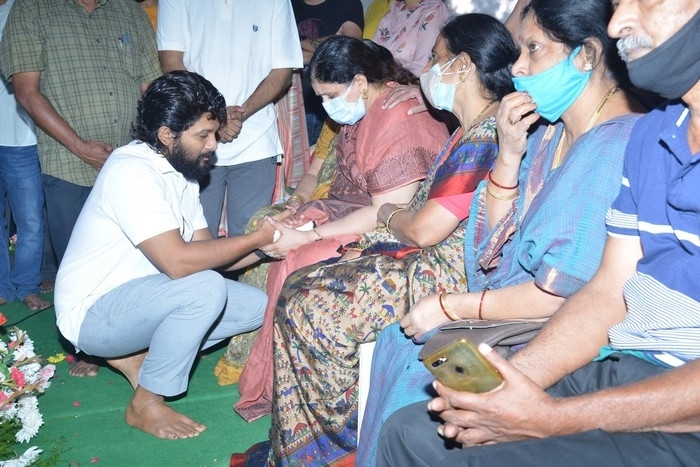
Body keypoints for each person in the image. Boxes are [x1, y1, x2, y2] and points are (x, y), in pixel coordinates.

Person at [377, 0, 700, 464]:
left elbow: (559, 287)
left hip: (675, 389)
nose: (618, 22)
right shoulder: (654, 138)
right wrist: (508, 386)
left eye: (646, 0)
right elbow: (608, 292)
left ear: (585, 56)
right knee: (410, 432)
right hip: (629, 355)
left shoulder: (617, 139)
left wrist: (549, 417)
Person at [250, 14, 519, 466]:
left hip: (446, 268)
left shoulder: (486, 135)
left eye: (436, 59)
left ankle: (335, 447)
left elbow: (425, 228)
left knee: (308, 304)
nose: (427, 72)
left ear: (464, 66)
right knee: (306, 284)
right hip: (424, 253)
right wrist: (397, 219)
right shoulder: (465, 132)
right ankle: (305, 441)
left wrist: (392, 214)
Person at [54, 71, 277, 441]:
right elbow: (179, 262)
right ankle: (144, 404)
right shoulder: (131, 170)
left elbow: (210, 254)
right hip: (93, 313)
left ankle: (143, 356)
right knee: (204, 289)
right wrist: (256, 236)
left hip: (141, 300)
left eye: (213, 134)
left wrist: (267, 245)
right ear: (166, 135)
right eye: (203, 136)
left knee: (253, 305)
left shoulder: (182, 172)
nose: (213, 146)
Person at [0, 0, 161, 377]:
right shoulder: (32, 9)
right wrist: (79, 146)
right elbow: (26, 91)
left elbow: (150, 86)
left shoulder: (128, 10)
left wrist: (153, 149)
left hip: (132, 158)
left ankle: (144, 337)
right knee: (83, 263)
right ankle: (92, 346)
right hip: (68, 162)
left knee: (141, 254)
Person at [158, 0, 303, 239]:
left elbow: (283, 70)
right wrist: (214, 118)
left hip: (255, 142)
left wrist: (241, 112)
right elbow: (171, 63)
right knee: (194, 241)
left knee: (251, 240)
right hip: (194, 142)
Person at [0, 0, 49, 312]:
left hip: (22, 135)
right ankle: (2, 288)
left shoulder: (30, 8)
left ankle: (28, 286)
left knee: (30, 218)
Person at [292, 0, 365, 144]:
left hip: (336, 101)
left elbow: (347, 44)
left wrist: (297, 43)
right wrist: (327, 48)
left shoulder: (348, 3)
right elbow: (277, 50)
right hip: (293, 99)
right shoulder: (288, 4)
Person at [373, 0, 452, 77]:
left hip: (404, 86)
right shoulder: (395, 8)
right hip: (375, 81)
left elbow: (421, 69)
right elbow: (373, 53)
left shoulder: (433, 12)